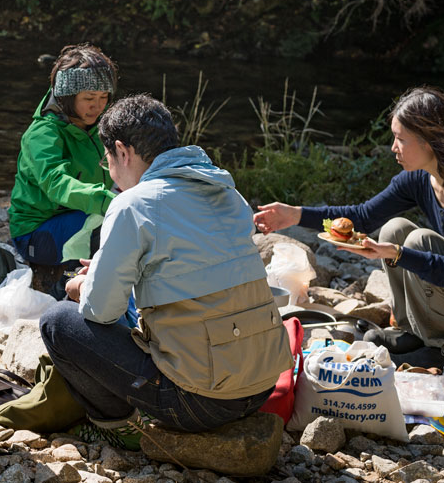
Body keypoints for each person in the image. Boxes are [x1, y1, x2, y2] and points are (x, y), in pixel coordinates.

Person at [41, 95, 291, 450]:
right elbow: (188, 273)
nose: (109, 171)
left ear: (122, 152)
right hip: (263, 384)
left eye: (107, 159)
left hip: (199, 403)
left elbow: (102, 311)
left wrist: (84, 284)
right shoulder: (227, 191)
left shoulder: (133, 204)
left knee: (58, 320)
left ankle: (117, 428)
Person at [254, 86, 444, 368]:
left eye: (400, 139)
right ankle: (415, 335)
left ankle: (443, 349)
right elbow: (363, 216)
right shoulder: (419, 179)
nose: (393, 148)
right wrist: (295, 215)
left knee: (416, 241)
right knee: (394, 229)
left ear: (428, 140)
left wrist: (398, 253)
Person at [8, 43, 118, 294]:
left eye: (103, 98)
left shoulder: (98, 124)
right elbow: (56, 183)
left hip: (77, 215)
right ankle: (72, 284)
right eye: (89, 99)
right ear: (67, 98)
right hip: (37, 232)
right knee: (107, 223)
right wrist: (107, 201)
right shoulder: (42, 134)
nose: (98, 106)